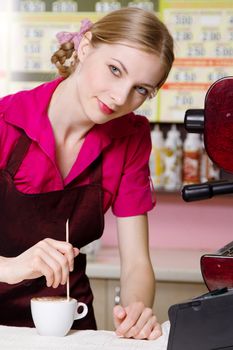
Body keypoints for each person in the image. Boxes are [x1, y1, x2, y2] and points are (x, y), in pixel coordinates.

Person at [0, 7, 174, 340]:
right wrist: (10, 267)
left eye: (141, 89)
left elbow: (136, 263)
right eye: (114, 70)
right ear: (85, 47)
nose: (120, 97)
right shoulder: (5, 120)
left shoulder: (131, 136)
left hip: (71, 327)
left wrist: (136, 311)